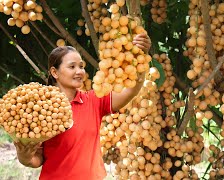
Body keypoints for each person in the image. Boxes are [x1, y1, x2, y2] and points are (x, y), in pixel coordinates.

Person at [13, 33, 151, 180]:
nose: (79, 72)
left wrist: (141, 56)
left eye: (81, 66)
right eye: (72, 67)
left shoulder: (93, 100)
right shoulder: (40, 109)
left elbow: (130, 91)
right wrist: (24, 157)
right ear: (54, 72)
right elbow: (38, 159)